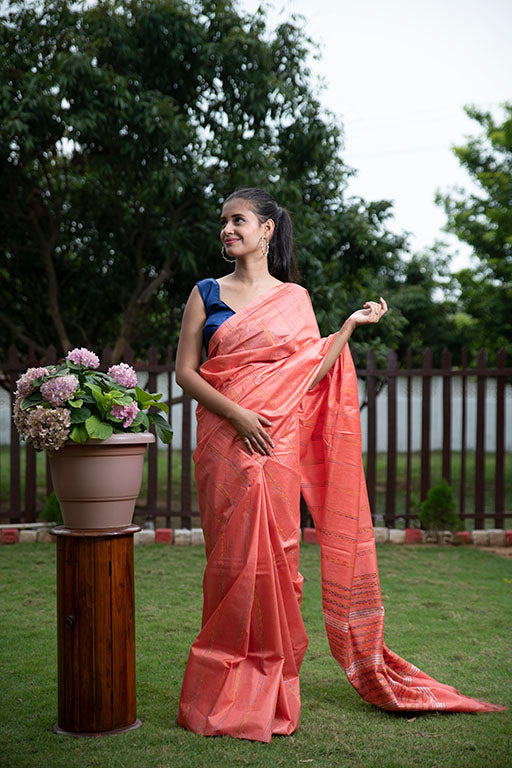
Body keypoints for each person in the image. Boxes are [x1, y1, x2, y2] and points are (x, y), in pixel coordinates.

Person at [175, 187, 504, 742]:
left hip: (275, 445)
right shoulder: (205, 293)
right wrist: (238, 417)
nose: (227, 229)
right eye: (224, 222)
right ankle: (220, 682)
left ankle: (271, 682)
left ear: (267, 230)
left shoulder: (295, 299)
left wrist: (346, 328)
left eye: (238, 220)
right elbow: (187, 372)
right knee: (229, 563)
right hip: (226, 444)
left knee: (277, 557)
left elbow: (309, 369)